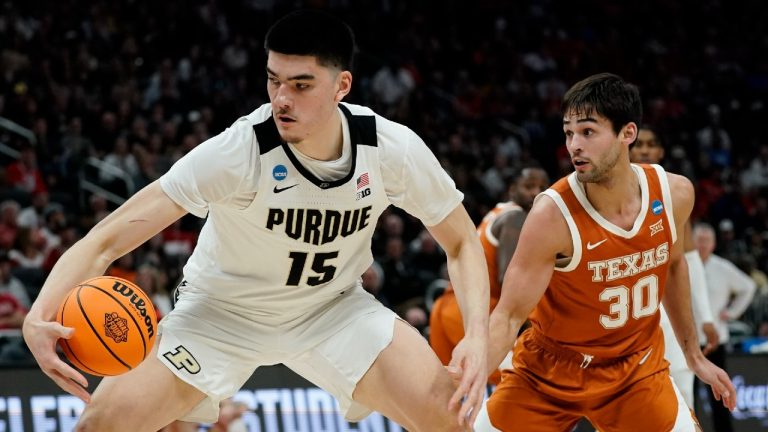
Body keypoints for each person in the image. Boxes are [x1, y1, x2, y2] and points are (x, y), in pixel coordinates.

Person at [22, 10, 489, 432]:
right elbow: (107, 238)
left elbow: (463, 243)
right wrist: (38, 316)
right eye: (273, 80)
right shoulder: (237, 153)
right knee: (98, 428)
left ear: (342, 86)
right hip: (220, 314)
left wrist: (477, 334)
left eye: (301, 84)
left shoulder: (390, 148)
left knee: (451, 418)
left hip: (332, 309)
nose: (281, 98)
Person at [473, 73, 736, 431]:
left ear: (627, 133)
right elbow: (507, 315)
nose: (574, 146)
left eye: (587, 132)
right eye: (568, 133)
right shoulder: (552, 215)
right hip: (550, 371)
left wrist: (692, 354)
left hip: (634, 370)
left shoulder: (674, 193)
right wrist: (473, 373)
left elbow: (673, 267)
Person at [430, 165, 549, 385]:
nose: (535, 193)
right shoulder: (516, 218)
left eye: (542, 187)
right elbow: (510, 282)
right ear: (513, 189)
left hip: (447, 308)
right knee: (525, 379)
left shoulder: (496, 213)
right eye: (529, 186)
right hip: (474, 314)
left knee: (450, 391)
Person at [629, 126, 720, 408]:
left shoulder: (673, 193)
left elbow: (687, 260)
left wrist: (706, 317)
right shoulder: (603, 193)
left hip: (665, 311)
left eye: (652, 143)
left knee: (681, 390)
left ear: (661, 151)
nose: (644, 149)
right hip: (623, 312)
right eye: (639, 144)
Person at [692, 223, 756, 432]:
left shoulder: (722, 267)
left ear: (713, 244)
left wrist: (732, 312)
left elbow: (749, 286)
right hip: (687, 342)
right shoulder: (683, 265)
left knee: (720, 396)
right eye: (698, 240)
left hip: (714, 341)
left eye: (706, 241)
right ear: (691, 241)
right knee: (686, 395)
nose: (702, 245)